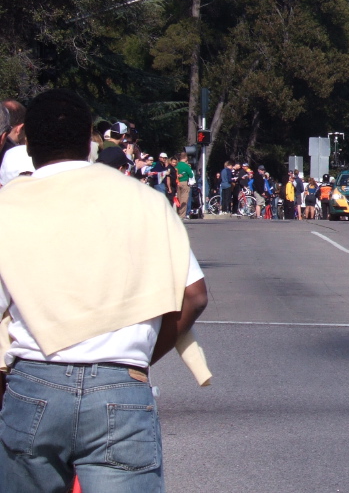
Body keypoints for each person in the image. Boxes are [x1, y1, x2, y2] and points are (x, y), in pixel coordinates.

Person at [0, 88, 210, 492]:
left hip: (34, 378)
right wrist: (140, 356)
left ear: (29, 145)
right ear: (89, 141)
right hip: (121, 381)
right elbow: (194, 294)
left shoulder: (8, 205)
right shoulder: (146, 201)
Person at [175, 152, 194, 218]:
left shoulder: (176, 165)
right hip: (184, 183)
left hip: (177, 183)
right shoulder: (186, 166)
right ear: (186, 158)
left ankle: (177, 213)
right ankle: (181, 215)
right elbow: (191, 175)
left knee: (178, 199)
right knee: (184, 200)